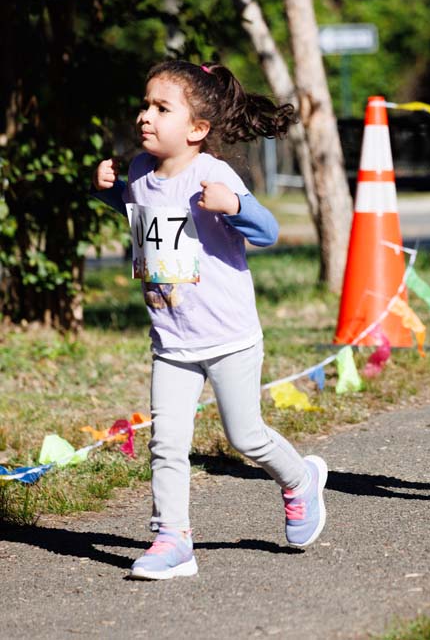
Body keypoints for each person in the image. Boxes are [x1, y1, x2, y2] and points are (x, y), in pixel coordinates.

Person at [92, 60, 327, 580]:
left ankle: (299, 479)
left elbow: (264, 231)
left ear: (197, 130)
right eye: (145, 105)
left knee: (246, 438)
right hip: (171, 339)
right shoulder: (137, 170)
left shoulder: (212, 173)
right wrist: (106, 188)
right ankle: (172, 538)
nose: (145, 116)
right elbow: (136, 209)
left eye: (161, 108)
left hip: (229, 336)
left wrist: (234, 206)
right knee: (167, 442)